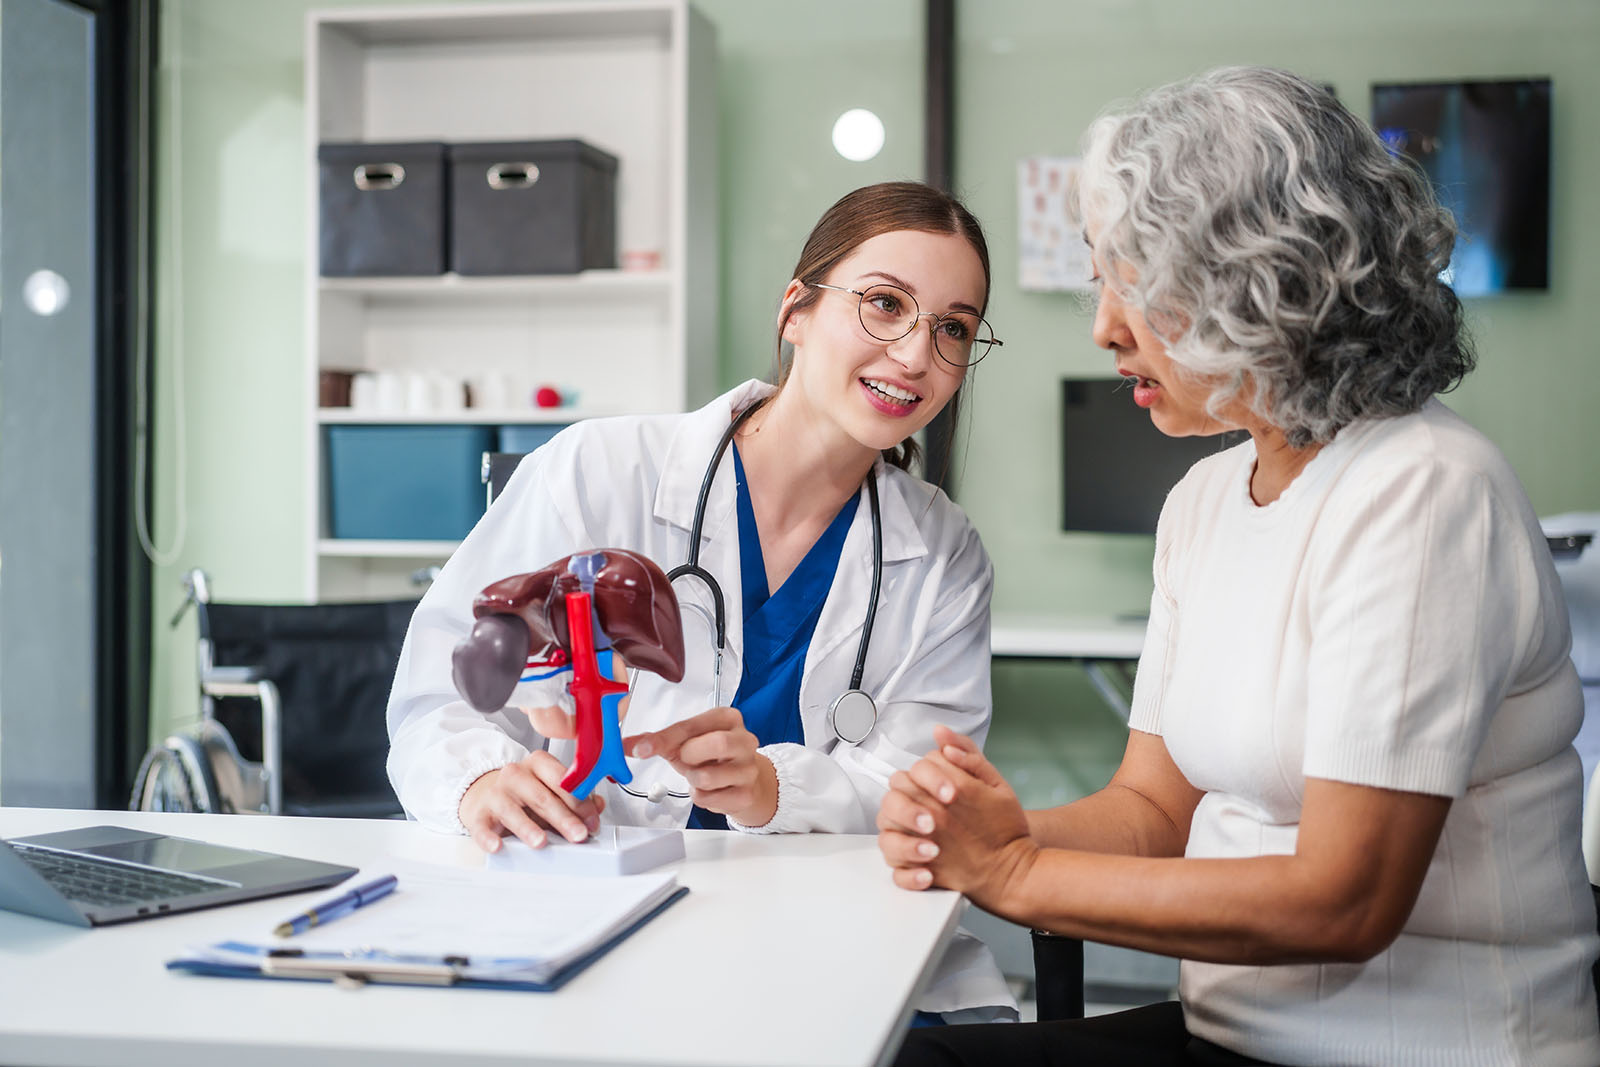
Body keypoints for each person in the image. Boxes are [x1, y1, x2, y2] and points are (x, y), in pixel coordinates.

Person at [880, 67, 1600, 1066]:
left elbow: (1343, 898)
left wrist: (1010, 871)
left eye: (1133, 282)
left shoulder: (1425, 490)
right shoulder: (1203, 503)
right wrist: (976, 834)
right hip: (1233, 1033)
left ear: (1259, 278)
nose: (1103, 329)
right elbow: (1149, 812)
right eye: (1101, 281)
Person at [387, 180, 1016, 1022]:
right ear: (795, 309)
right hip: (605, 939)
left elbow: (920, 793)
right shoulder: (598, 472)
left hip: (836, 956)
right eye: (883, 304)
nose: (913, 354)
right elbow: (438, 700)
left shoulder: (942, 554)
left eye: (952, 328)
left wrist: (769, 787)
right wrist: (480, 785)